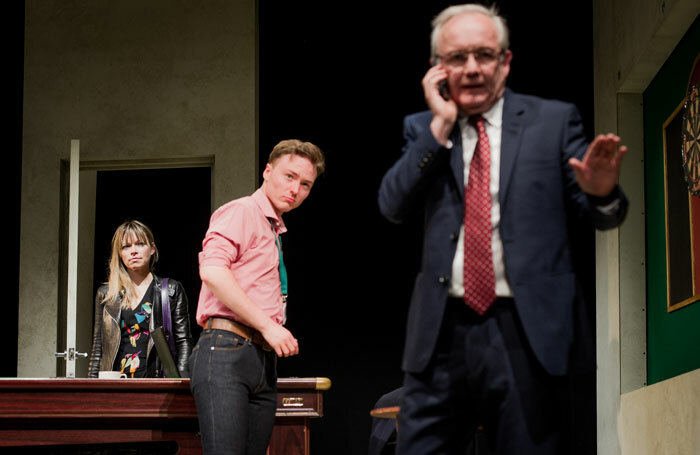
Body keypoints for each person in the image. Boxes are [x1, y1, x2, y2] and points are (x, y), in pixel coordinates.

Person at [378, 4, 628, 454]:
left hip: (527, 331)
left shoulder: (552, 121)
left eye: (484, 55)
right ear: (438, 69)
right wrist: (439, 125)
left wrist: (600, 192)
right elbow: (393, 205)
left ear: (505, 61)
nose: (472, 68)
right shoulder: (423, 128)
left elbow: (603, 216)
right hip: (441, 335)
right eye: (457, 58)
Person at [189, 139, 325, 455]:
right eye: (289, 176)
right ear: (267, 171)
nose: (296, 189)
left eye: (306, 184)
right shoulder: (242, 211)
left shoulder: (273, 229)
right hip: (226, 351)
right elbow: (212, 272)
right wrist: (269, 326)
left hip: (260, 360)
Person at [89, 220, 193, 378]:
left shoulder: (170, 290)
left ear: (152, 249)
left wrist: (181, 385)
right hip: (115, 383)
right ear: (120, 254)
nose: (133, 251)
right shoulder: (107, 294)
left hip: (155, 383)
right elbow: (98, 348)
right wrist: (92, 388)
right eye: (126, 246)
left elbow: (183, 341)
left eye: (139, 244)